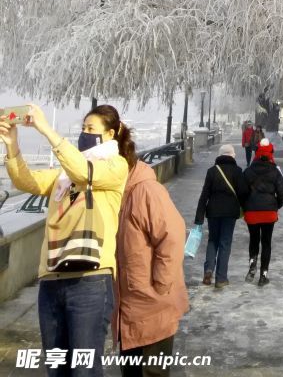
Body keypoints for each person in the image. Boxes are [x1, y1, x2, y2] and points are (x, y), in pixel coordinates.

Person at [0, 104, 131, 377]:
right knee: (57, 369)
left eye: (91, 129)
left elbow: (84, 172)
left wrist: (45, 129)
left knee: (84, 370)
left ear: (111, 134)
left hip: (90, 280)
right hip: (52, 279)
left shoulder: (116, 166)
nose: (84, 134)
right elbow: (27, 182)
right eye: (82, 129)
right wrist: (12, 146)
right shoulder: (64, 175)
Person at [114, 150, 190, 375]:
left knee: (151, 371)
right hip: (131, 307)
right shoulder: (121, 192)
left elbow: (173, 237)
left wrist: (160, 285)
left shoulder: (146, 190)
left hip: (153, 304)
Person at [194, 144, 246, 289]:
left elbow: (204, 195)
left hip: (213, 212)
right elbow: (243, 193)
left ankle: (209, 269)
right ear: (232, 156)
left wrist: (199, 217)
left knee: (213, 240)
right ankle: (221, 278)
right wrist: (246, 211)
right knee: (225, 243)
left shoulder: (212, 171)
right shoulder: (237, 171)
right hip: (230, 213)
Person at [242, 138, 283, 287]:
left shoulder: (248, 171)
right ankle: (264, 274)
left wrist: (245, 206)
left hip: (252, 213)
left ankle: (252, 263)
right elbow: (281, 191)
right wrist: (276, 205)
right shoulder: (275, 171)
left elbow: (242, 191)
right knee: (266, 243)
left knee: (254, 240)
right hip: (269, 213)